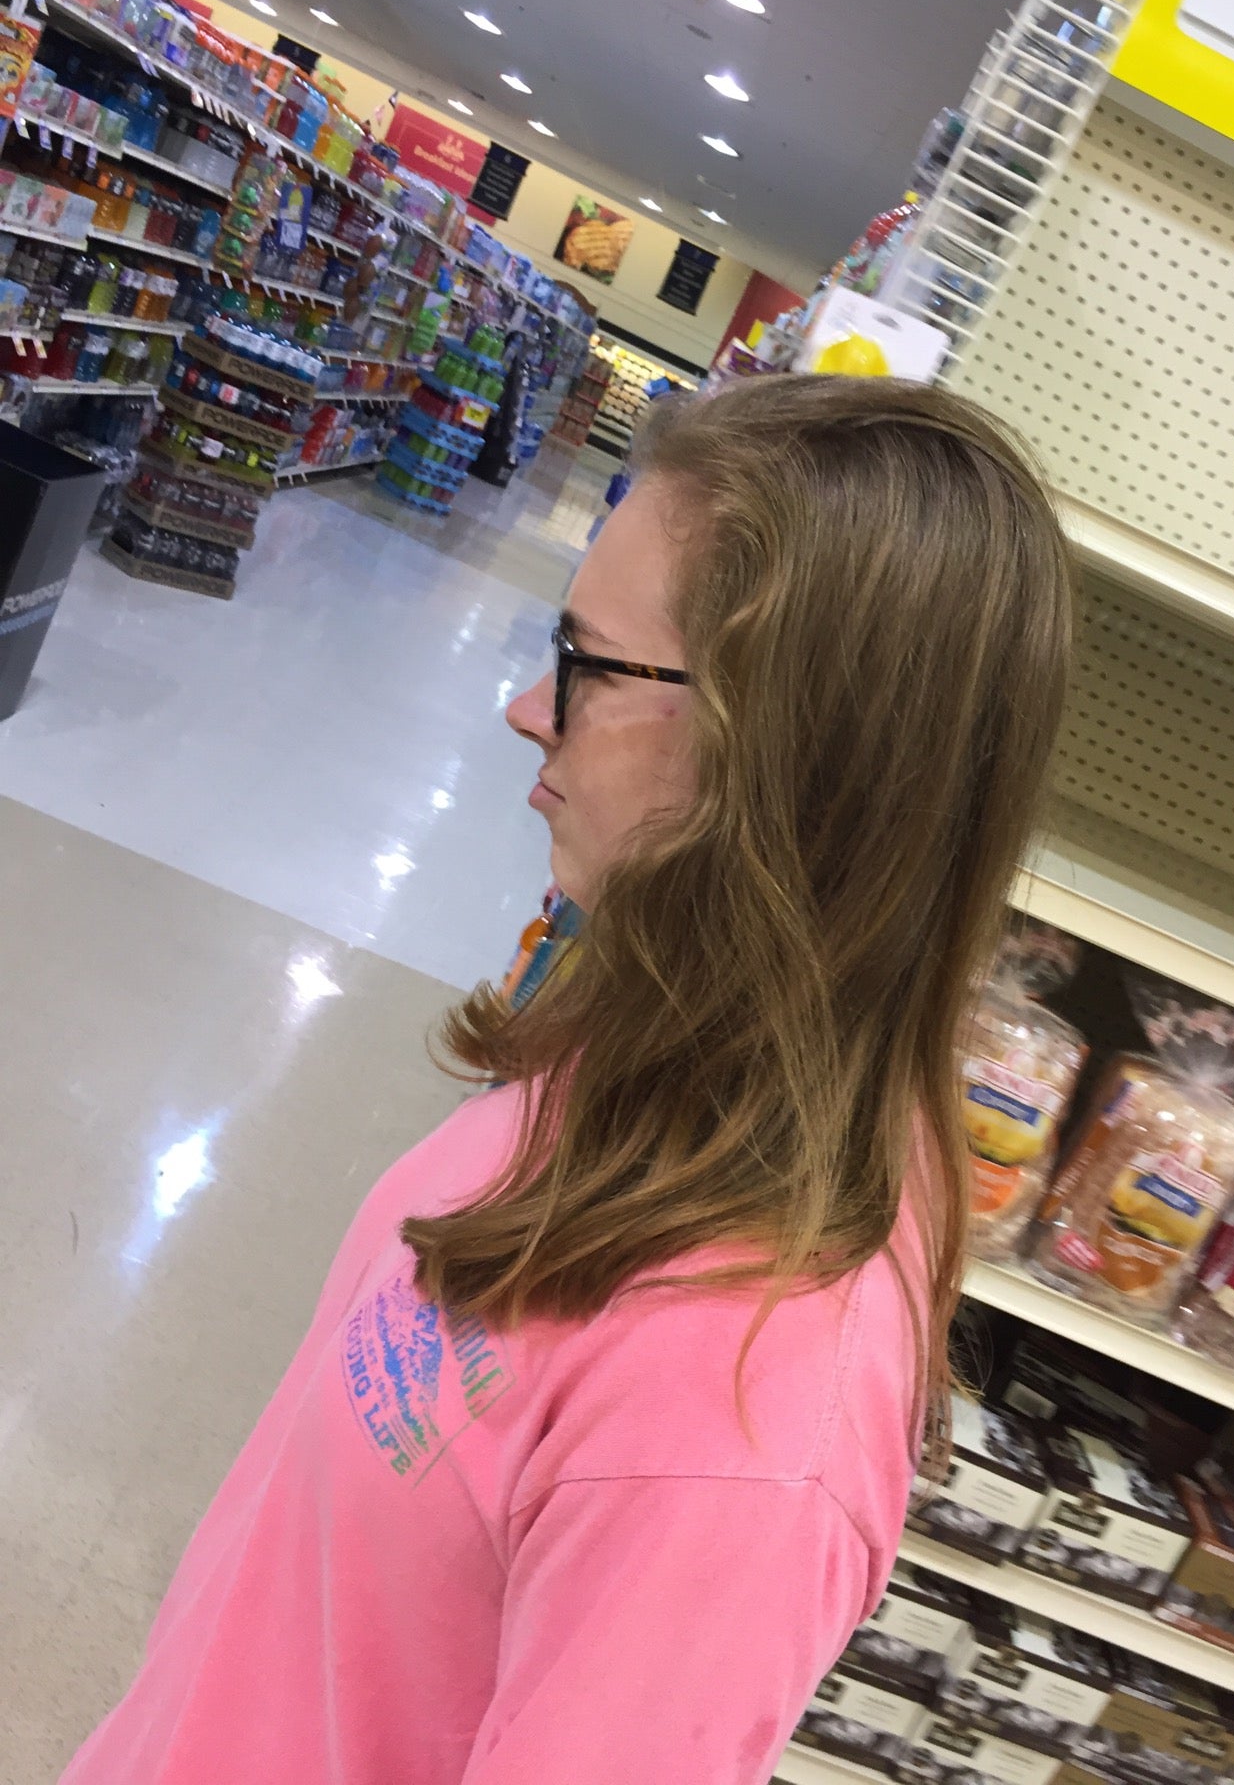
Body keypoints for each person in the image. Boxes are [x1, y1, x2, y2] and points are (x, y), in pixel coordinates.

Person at [62, 375, 1071, 1784]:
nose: (529, 709)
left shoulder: (739, 1425)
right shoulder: (656, 1036)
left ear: (785, 751)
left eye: (588, 663)